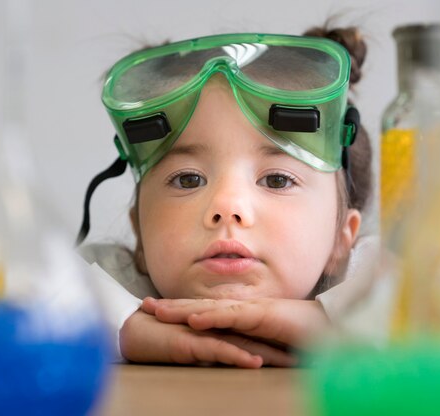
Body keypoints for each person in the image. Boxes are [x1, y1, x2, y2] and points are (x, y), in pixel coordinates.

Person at [78, 23, 379, 368]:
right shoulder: (109, 287)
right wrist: (126, 329)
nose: (227, 206)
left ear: (342, 240)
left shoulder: (370, 285)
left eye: (277, 180)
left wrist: (334, 325)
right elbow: (26, 287)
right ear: (140, 237)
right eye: (189, 180)